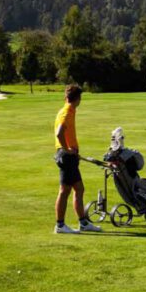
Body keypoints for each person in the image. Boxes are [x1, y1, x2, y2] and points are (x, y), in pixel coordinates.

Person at [53, 84, 101, 234]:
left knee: (78, 189)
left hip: (69, 157)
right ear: (78, 99)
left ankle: (83, 223)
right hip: (66, 157)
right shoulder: (67, 112)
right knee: (64, 191)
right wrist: (67, 149)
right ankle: (60, 225)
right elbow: (59, 133)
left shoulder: (68, 110)